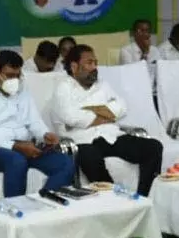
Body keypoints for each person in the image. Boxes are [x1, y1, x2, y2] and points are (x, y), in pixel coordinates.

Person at [50, 45, 163, 196]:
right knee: (90, 157)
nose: (95, 67)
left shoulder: (102, 85)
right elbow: (71, 117)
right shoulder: (63, 88)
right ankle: (114, 198)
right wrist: (106, 113)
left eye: (95, 63)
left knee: (154, 147)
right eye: (89, 63)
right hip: (83, 141)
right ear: (74, 66)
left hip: (110, 136)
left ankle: (143, 196)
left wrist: (89, 111)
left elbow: (122, 107)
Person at [0, 50, 74, 197]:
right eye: (10, 75)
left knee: (64, 162)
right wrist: (16, 146)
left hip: (27, 147)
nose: (15, 80)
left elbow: (34, 121)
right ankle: (16, 210)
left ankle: (47, 200)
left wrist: (45, 134)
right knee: (16, 160)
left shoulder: (23, 91)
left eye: (18, 75)